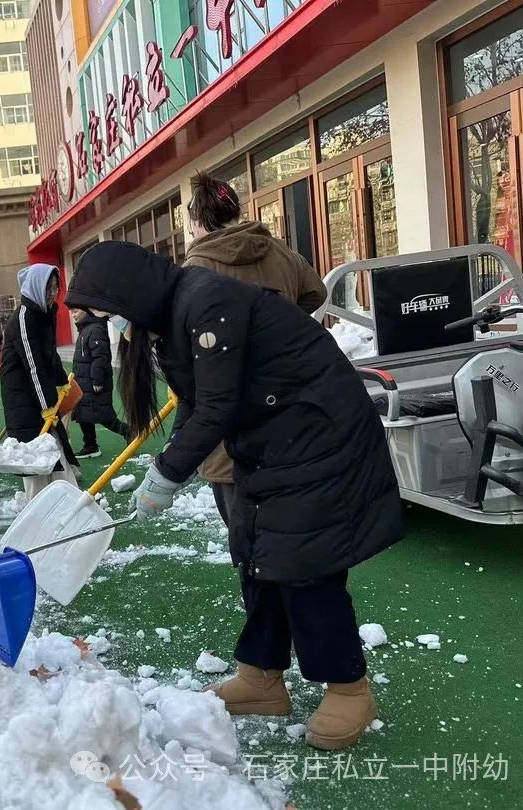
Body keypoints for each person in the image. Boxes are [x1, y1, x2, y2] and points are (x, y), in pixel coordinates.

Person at [66, 241, 402, 751]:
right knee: (253, 549)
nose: (112, 324)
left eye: (108, 313)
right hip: (273, 439)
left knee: (303, 558)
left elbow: (217, 407)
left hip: (318, 430)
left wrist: (169, 471)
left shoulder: (207, 301)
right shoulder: (172, 321)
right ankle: (262, 676)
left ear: (127, 293)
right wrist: (170, 461)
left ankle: (349, 688)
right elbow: (199, 401)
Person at [183, 172, 326, 527]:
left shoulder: (196, 268)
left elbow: (182, 341)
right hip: (288, 409)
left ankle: (258, 577)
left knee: (243, 526)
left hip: (232, 417)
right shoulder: (279, 250)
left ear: (198, 222)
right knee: (293, 519)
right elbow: (316, 293)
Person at [0, 264, 81, 500]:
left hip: (39, 398)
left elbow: (49, 355)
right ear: (36, 287)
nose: (54, 293)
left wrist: (61, 381)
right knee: (34, 465)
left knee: (56, 456)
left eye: (56, 287)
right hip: (23, 402)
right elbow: (33, 365)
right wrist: (47, 404)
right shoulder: (24, 319)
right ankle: (38, 519)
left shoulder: (45, 314)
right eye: (49, 287)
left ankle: (70, 507)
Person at [71, 308, 127, 458]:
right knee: (83, 414)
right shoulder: (85, 329)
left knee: (104, 416)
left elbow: (100, 356)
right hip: (83, 381)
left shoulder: (95, 329)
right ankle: (90, 445)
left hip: (93, 382)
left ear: (85, 310)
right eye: (71, 311)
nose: (73, 314)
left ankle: (129, 432)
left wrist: (97, 379)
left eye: (75, 310)